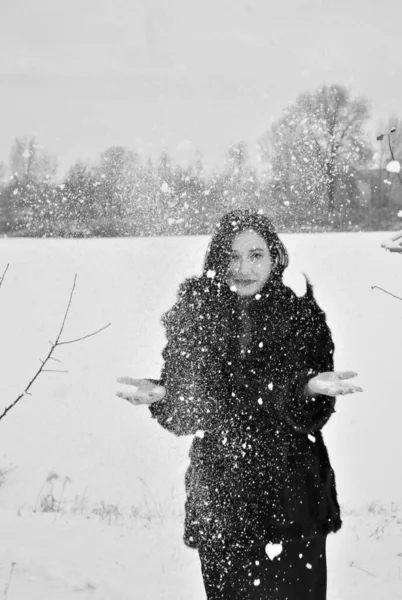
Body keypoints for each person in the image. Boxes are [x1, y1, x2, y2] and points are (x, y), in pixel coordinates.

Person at [117, 209, 362, 599]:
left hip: (293, 496)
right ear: (217, 259)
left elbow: (307, 416)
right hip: (222, 497)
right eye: (232, 256)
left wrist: (307, 388)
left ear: (274, 257)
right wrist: (167, 396)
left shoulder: (301, 316)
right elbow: (197, 406)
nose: (243, 267)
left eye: (255, 255)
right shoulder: (196, 315)